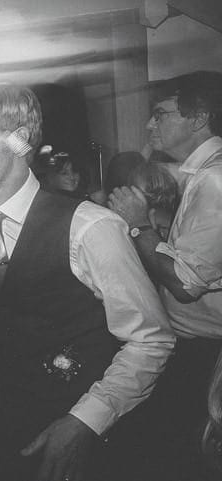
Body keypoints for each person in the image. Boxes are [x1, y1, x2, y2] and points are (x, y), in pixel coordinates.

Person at [0, 82, 174, 481]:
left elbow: (150, 339)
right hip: (6, 428)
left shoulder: (90, 226)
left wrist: (86, 422)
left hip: (88, 437)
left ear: (20, 141)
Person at [108, 70, 222, 481]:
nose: (150, 124)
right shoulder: (202, 173)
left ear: (199, 118)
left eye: (161, 114)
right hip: (198, 349)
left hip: (203, 353)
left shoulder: (214, 179)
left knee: (178, 458)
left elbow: (185, 283)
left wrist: (138, 226)